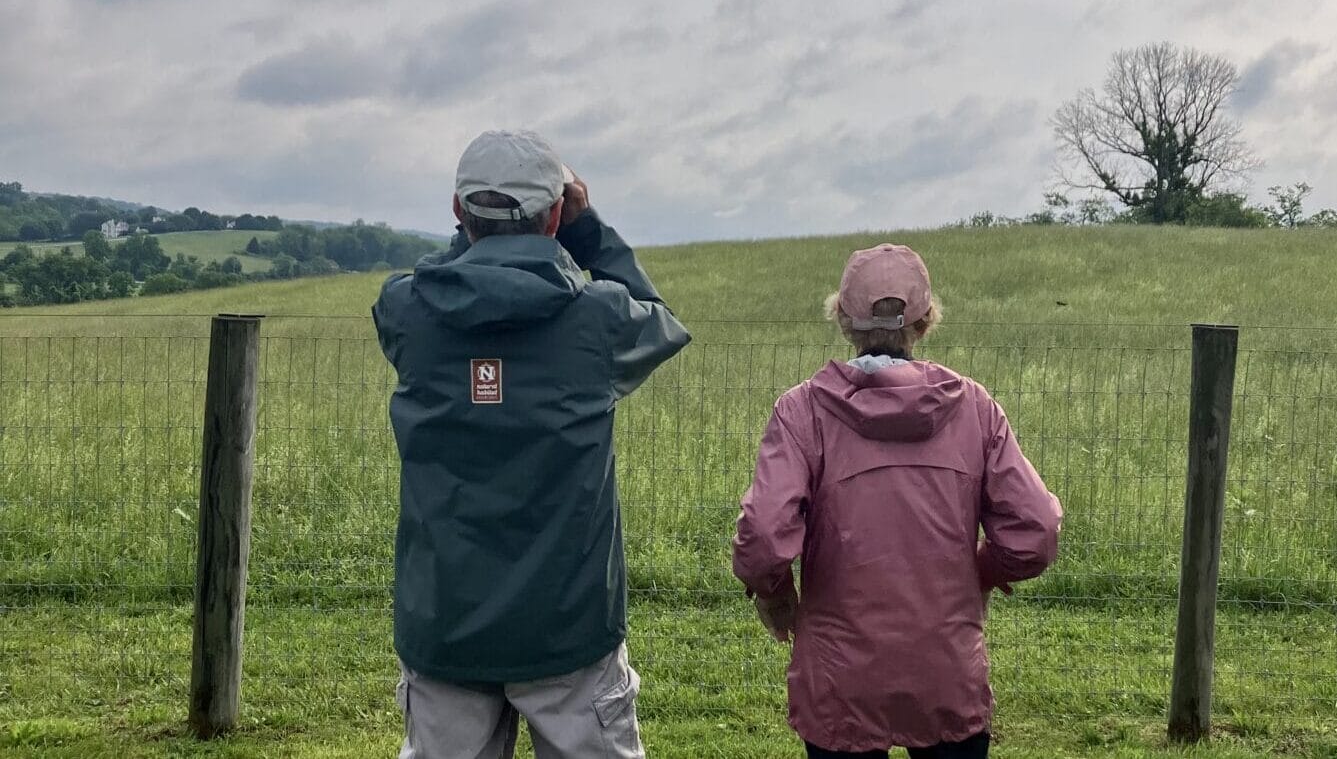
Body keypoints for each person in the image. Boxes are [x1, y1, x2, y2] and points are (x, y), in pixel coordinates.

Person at [373, 130, 690, 759]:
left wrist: (485, 232)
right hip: (566, 619)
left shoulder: (406, 308)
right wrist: (585, 228)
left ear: (459, 213)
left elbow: (450, 280)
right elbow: (661, 322)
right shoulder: (598, 319)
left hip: (444, 616)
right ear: (554, 216)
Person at [732, 244, 1063, 759]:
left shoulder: (803, 411)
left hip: (840, 678)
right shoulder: (975, 408)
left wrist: (776, 597)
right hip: (946, 671)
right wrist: (983, 570)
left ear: (843, 317)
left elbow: (762, 537)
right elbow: (1037, 528)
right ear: (926, 320)